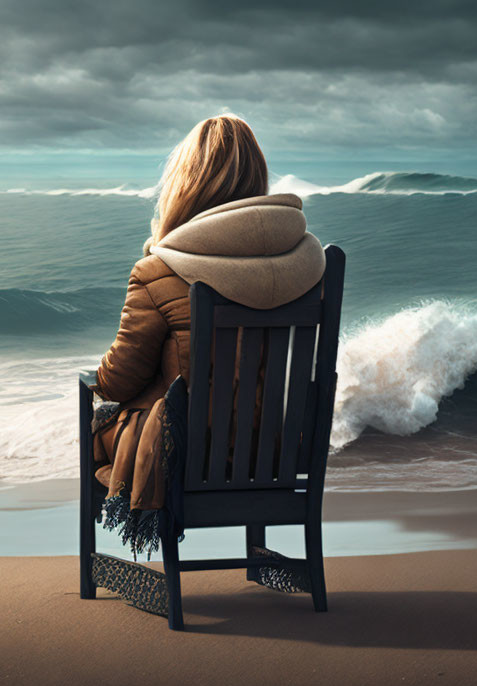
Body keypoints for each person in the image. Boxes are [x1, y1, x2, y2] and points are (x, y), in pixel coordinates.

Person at [91, 113, 326, 541]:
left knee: (101, 420)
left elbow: (118, 381)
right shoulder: (308, 269)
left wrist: (97, 382)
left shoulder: (158, 271)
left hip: (186, 458)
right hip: (275, 452)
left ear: (187, 182)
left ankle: (116, 538)